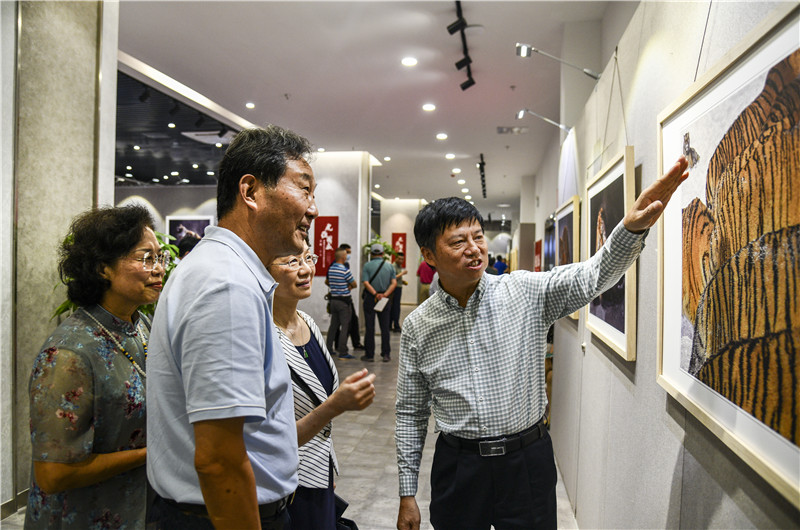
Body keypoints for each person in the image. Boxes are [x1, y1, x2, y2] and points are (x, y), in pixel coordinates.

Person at [395, 157, 690, 530]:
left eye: (478, 236)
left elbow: (593, 275)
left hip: (526, 461)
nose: (474, 248)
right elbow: (410, 411)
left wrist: (631, 228)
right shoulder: (419, 326)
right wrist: (407, 493)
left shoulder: (525, 291)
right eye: (458, 241)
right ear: (430, 255)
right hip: (459, 467)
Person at [146, 126, 318, 529]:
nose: (312, 209)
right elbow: (218, 458)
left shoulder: (229, 273)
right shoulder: (226, 285)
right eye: (304, 190)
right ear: (250, 191)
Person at [25, 204, 166, 529]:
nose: (158, 269)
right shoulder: (69, 352)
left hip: (136, 511)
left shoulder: (141, 325)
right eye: (146, 258)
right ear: (104, 268)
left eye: (160, 258)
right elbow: (53, 473)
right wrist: (155, 451)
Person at [268, 241, 376, 529]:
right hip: (285, 484)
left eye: (308, 258)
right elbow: (271, 435)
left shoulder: (308, 322)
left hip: (319, 475)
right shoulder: (262, 335)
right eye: (292, 262)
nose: (306, 270)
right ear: (264, 269)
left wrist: (325, 470)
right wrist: (335, 405)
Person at [361, 243, 396, 362]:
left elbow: (365, 282)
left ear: (371, 253)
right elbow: (394, 283)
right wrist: (385, 294)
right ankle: (386, 354)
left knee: (370, 327)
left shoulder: (367, 266)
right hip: (385, 299)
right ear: (382, 253)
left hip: (371, 298)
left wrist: (375, 294)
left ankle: (369, 355)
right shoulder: (389, 266)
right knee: (385, 327)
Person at [326, 247, 357, 358]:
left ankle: (328, 348)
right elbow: (354, 284)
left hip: (333, 301)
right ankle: (342, 351)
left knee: (333, 326)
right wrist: (346, 287)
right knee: (345, 326)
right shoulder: (344, 270)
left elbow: (328, 282)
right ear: (343, 257)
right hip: (344, 302)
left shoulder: (331, 269)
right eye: (346, 255)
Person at [337, 243, 365, 351]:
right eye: (347, 252)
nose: (348, 255)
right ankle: (343, 346)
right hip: (343, 298)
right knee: (345, 322)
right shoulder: (340, 265)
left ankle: (354, 343)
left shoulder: (345, 264)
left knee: (348, 321)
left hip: (343, 297)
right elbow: (353, 283)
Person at [390, 251, 408, 332]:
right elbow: (393, 277)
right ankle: (395, 326)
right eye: (399, 259)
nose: (401, 261)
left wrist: (402, 281)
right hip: (395, 288)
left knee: (395, 307)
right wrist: (402, 274)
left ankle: (392, 324)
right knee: (395, 307)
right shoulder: (393, 266)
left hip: (398, 287)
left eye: (402, 259)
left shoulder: (398, 266)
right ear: (395, 258)